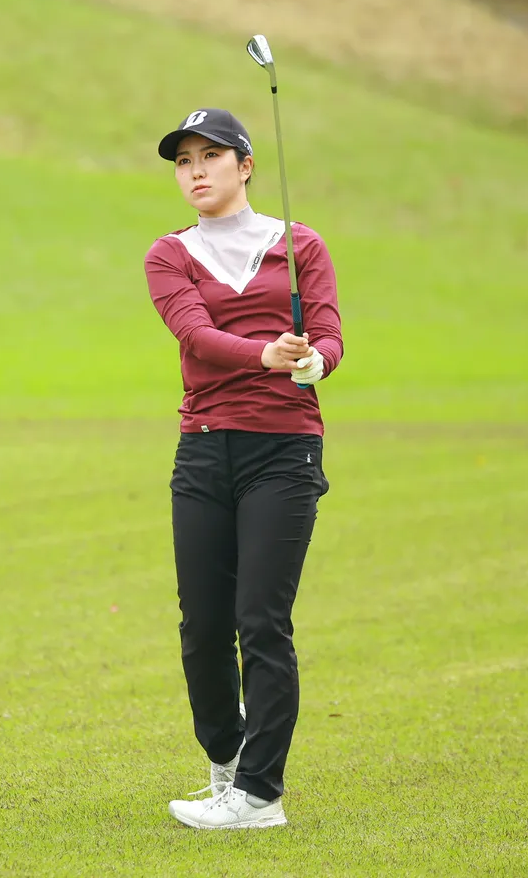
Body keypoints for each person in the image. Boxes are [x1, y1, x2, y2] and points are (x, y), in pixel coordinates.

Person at [143, 107, 343, 830]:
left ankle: (260, 795)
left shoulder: (300, 244)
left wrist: (316, 361)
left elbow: (329, 334)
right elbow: (194, 335)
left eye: (210, 156)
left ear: (246, 165)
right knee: (203, 626)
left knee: (261, 619)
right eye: (183, 161)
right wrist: (263, 353)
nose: (195, 171)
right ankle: (226, 764)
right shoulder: (169, 254)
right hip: (204, 448)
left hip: (284, 450)